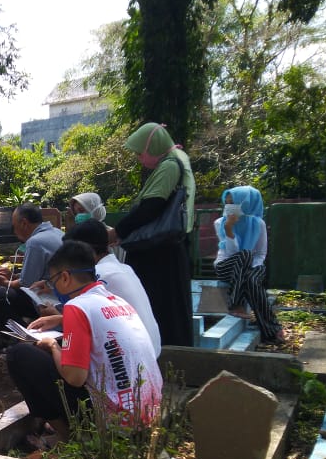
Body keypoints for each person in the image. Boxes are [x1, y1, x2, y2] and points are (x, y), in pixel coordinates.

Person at [6, 240, 162, 446]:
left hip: (114, 419)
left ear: (65, 277)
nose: (52, 288)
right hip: (147, 412)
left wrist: (53, 346)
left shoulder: (76, 308)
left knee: (19, 355)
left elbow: (75, 378)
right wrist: (61, 319)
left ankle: (70, 438)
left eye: (53, 281)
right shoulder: (115, 300)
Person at [112, 122, 196, 347]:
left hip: (159, 253)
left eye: (141, 152)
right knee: (164, 304)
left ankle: (167, 354)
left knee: (160, 305)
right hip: (163, 250)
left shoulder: (169, 166)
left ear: (155, 146)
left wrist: (118, 232)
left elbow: (152, 206)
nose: (140, 157)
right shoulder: (171, 162)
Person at [62, 219, 161, 356]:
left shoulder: (99, 274)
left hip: (132, 359)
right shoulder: (124, 268)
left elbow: (80, 318)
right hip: (152, 352)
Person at [213, 186, 285, 344]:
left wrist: (251, 269)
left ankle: (269, 331)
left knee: (252, 281)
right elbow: (231, 253)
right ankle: (237, 306)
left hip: (253, 265)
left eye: (234, 203)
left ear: (245, 204)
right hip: (226, 266)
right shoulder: (220, 223)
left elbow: (261, 253)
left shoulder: (258, 224)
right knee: (245, 254)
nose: (229, 207)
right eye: (227, 203)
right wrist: (229, 229)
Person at [0, 203, 63, 331]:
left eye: (14, 227)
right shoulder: (58, 232)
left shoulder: (35, 242)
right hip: (59, 292)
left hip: (48, 299)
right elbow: (36, 275)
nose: (14, 232)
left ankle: (24, 333)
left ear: (24, 223)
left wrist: (6, 282)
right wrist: (13, 277)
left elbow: (27, 283)